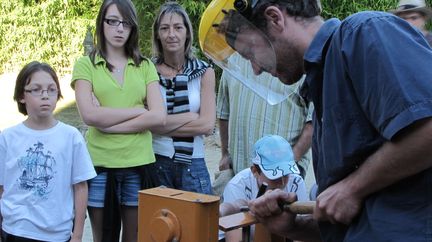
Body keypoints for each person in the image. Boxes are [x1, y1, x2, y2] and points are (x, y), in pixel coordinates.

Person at [199, 0, 432, 241]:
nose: (256, 69)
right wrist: (292, 227)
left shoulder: (362, 33)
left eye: (251, 53)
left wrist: (354, 187)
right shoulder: (320, 89)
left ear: (274, 18)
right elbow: (347, 215)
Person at [71, 0, 166, 241]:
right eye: (112, 21)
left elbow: (158, 116)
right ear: (101, 23)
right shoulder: (86, 65)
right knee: (103, 237)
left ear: (133, 27)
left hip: (139, 163)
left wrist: (107, 121)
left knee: (134, 237)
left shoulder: (144, 65)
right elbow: (89, 115)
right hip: (100, 165)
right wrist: (137, 111)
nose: (119, 28)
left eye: (125, 23)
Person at [0, 61, 96, 242]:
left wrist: (77, 235)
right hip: (16, 230)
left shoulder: (71, 136)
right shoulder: (7, 137)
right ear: (22, 96)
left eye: (51, 89)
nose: (45, 95)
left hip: (56, 233)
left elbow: (81, 187)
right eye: (36, 89)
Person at [150, 1, 216, 195]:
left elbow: (206, 126)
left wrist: (160, 123)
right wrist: (191, 117)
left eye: (178, 27)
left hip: (194, 163)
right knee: (159, 224)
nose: (172, 34)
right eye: (165, 28)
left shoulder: (205, 71)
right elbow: (147, 124)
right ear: (157, 34)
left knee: (200, 224)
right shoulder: (147, 71)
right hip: (158, 161)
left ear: (187, 32)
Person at [217, 53, 313, 178]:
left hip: (284, 174)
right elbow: (223, 111)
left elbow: (314, 122)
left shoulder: (299, 60)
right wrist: (224, 154)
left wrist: (289, 163)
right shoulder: (233, 59)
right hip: (240, 172)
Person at [219, 135, 308, 242]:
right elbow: (235, 238)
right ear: (255, 171)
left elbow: (303, 233)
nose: (282, 182)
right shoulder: (237, 186)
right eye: (274, 176)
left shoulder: (296, 182)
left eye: (286, 174)